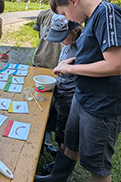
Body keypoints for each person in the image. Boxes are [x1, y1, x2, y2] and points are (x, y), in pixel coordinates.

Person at [35, 0, 121, 182]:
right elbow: (95, 54)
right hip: (83, 96)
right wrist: (71, 62)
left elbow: (115, 64)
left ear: (73, 1)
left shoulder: (108, 14)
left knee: (98, 166)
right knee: (71, 142)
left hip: (103, 105)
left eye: (64, 13)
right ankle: (57, 177)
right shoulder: (90, 18)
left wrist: (71, 70)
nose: (67, 19)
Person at [35, 14, 82, 177]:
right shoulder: (68, 44)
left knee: (65, 134)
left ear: (75, 30)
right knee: (58, 126)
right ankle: (59, 157)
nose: (61, 41)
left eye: (63, 37)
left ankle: (57, 172)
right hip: (60, 92)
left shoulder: (81, 47)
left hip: (70, 98)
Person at [33, 9, 64, 151]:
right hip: (40, 61)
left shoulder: (70, 16)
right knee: (38, 100)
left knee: (54, 104)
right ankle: (36, 131)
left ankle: (48, 135)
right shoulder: (43, 14)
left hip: (58, 66)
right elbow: (40, 34)